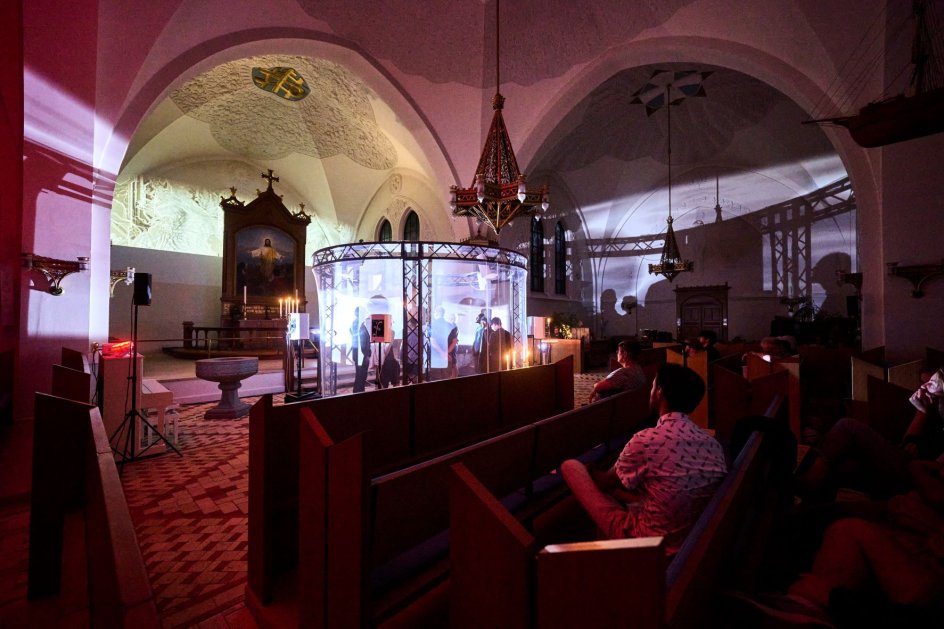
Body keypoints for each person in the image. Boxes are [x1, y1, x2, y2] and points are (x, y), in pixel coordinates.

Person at [731, 458, 944, 627]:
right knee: (836, 526)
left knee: (837, 524)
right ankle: (802, 604)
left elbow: (935, 494)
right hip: (912, 525)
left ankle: (803, 601)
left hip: (930, 581)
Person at [561, 363, 728, 555]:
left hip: (650, 543)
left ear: (659, 392)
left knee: (570, 466)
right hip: (692, 537)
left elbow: (604, 483)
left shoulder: (647, 440)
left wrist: (590, 469)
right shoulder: (712, 443)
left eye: (653, 385)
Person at [795, 367, 944, 501]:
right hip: (908, 457)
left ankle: (808, 480)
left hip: (919, 476)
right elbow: (924, 374)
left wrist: (921, 462)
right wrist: (923, 408)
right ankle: (808, 496)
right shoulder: (935, 405)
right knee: (846, 467)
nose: (926, 387)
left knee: (846, 427)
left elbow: (930, 470)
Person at [429, 306, 452, 380]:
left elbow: (433, 341)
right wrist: (446, 353)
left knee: (436, 381)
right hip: (447, 357)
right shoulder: (449, 325)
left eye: (435, 312)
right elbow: (454, 342)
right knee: (446, 379)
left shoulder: (433, 324)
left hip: (435, 357)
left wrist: (442, 353)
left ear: (437, 313)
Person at [352, 314, 371, 393]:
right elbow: (362, 342)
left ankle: (359, 391)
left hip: (360, 355)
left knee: (360, 375)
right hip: (361, 355)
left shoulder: (357, 324)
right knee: (361, 375)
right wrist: (366, 355)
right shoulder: (358, 325)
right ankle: (358, 392)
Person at [446, 313, 459, 379]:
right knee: (453, 364)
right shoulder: (453, 326)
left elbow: (454, 341)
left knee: (453, 365)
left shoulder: (453, 327)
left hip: (451, 348)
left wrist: (447, 352)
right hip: (451, 348)